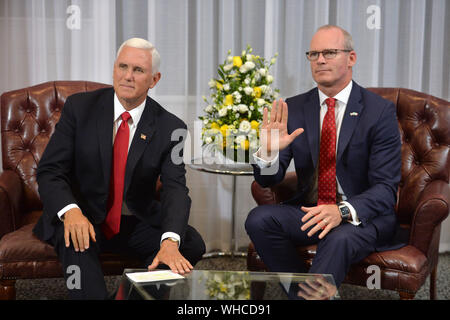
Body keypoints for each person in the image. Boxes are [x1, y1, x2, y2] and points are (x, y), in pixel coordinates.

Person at [33, 38, 205, 299]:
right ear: (114, 68)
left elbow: (175, 188)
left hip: (133, 219)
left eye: (138, 70)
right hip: (83, 215)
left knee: (190, 243)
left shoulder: (172, 127)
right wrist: (70, 212)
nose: (127, 76)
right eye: (122, 67)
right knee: (75, 242)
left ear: (154, 79)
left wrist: (170, 241)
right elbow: (50, 171)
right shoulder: (80, 108)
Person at [245, 25, 403, 289]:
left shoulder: (378, 111)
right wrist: (269, 150)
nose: (320, 60)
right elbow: (267, 179)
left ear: (351, 58)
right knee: (259, 219)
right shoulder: (293, 108)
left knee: (339, 238)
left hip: (360, 217)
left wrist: (341, 211)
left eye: (329, 52)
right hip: (311, 210)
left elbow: (386, 189)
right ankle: (302, 295)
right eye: (313, 54)